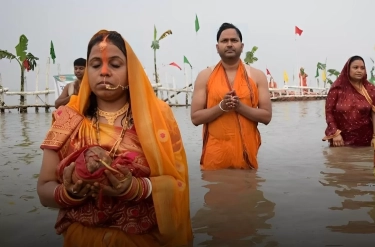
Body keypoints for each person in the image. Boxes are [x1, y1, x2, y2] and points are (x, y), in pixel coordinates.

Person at [37, 30, 192, 247]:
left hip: (143, 239)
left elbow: (178, 183)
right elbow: (44, 189)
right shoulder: (67, 118)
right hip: (81, 239)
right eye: (95, 64)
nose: (104, 72)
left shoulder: (157, 116)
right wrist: (68, 193)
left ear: (131, 72)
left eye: (115, 65)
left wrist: (137, 188)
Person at [190, 23, 272, 171]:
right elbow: (195, 118)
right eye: (224, 41)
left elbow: (266, 117)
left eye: (234, 40)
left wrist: (240, 107)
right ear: (217, 47)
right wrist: (221, 107)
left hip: (247, 161)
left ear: (242, 46)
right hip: (214, 162)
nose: (229, 44)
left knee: (249, 193)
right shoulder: (205, 76)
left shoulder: (257, 76)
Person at [322, 55, 375, 147]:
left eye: (362, 68)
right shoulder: (337, 89)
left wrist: (374, 137)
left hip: (367, 141)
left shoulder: (370, 89)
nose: (359, 70)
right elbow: (329, 112)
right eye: (355, 67)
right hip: (340, 141)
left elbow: (374, 114)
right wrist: (335, 133)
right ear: (348, 69)